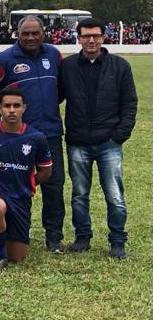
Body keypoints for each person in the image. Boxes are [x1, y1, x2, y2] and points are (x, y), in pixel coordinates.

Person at [0, 16, 65, 251]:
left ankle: (54, 236)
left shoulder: (54, 55)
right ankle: (6, 227)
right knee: (12, 183)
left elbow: (60, 90)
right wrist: (7, 122)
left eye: (35, 33)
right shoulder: (4, 60)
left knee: (53, 184)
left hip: (50, 133)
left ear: (43, 33)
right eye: (25, 33)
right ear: (17, 34)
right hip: (16, 137)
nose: (30, 37)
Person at [60, 18, 137, 258]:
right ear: (78, 38)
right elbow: (55, 97)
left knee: (114, 195)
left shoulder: (120, 66)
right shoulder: (67, 66)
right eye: (86, 36)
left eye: (96, 35)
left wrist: (119, 135)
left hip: (109, 142)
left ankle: (117, 240)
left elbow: (129, 103)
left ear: (104, 37)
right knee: (79, 194)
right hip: (78, 141)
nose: (91, 40)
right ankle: (82, 237)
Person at [0, 87, 53, 272]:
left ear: (24, 108)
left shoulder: (36, 137)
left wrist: (27, 182)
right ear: (0, 108)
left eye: (16, 106)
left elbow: (46, 171)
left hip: (20, 197)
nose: (11, 110)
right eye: (7, 106)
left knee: (17, 256)